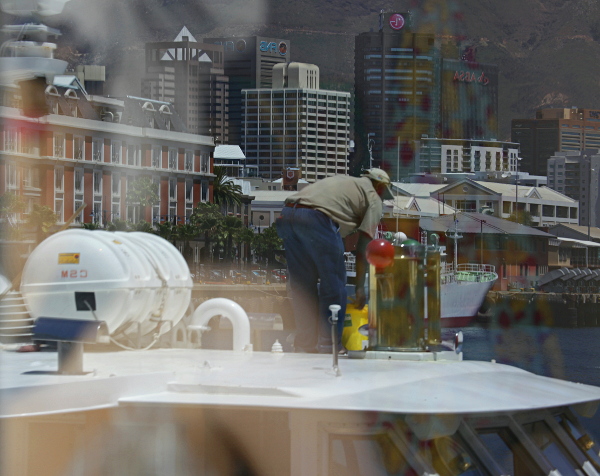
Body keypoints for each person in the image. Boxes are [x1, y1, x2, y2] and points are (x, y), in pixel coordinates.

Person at [276, 168, 393, 353]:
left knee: (303, 287)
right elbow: (364, 244)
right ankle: (329, 346)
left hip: (288, 213)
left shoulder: (346, 182)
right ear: (380, 186)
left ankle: (304, 345)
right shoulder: (373, 198)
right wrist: (361, 287)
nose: (383, 198)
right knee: (334, 285)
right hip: (317, 218)